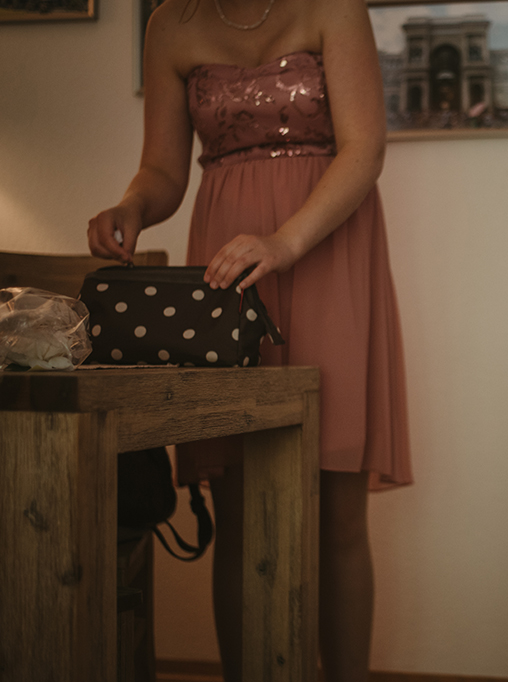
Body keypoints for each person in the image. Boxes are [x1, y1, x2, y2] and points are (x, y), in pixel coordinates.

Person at [86, 0, 411, 679]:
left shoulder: (332, 7)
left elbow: (364, 147)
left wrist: (284, 240)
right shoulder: (168, 25)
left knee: (337, 510)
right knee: (236, 509)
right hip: (227, 263)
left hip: (327, 246)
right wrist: (132, 207)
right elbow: (165, 171)